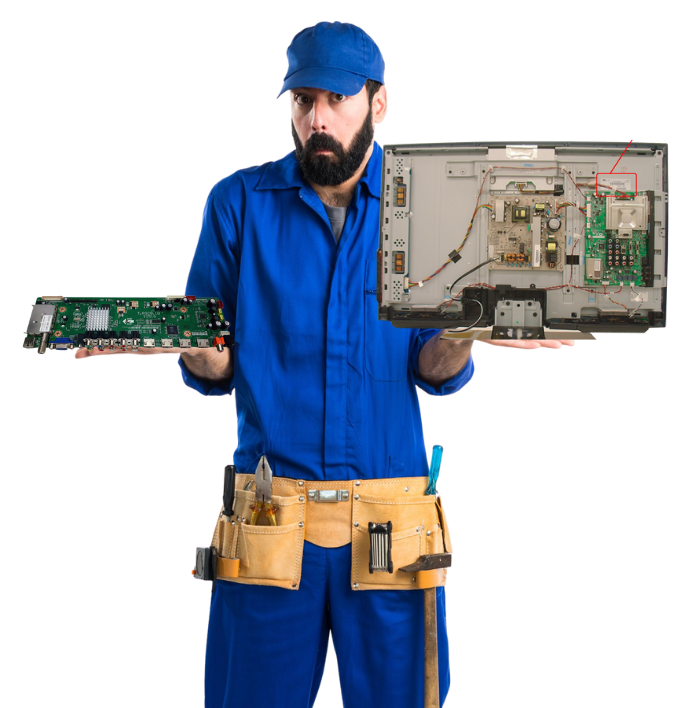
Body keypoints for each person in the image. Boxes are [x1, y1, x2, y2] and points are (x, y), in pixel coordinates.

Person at [74, 20, 575, 707]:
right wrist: (182, 342)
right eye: (303, 100)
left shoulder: (433, 210)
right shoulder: (237, 204)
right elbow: (217, 370)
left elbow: (434, 369)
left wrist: (468, 332)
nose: (318, 119)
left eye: (337, 100)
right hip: (269, 522)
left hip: (391, 524)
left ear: (379, 103)